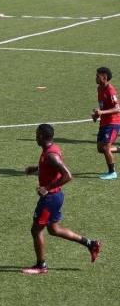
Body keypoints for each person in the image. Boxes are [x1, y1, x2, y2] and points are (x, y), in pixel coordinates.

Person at [22, 124, 101, 275]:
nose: (36, 137)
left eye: (38, 135)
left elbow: (68, 176)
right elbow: (49, 167)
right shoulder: (50, 151)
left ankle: (41, 265)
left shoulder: (51, 155)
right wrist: (35, 169)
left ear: (44, 137)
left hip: (50, 199)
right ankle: (90, 244)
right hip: (55, 198)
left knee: (36, 230)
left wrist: (47, 188)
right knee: (54, 229)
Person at [91, 66, 120, 180]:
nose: (96, 77)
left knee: (106, 148)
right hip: (104, 122)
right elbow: (103, 107)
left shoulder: (110, 89)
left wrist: (101, 112)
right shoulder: (99, 88)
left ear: (105, 77)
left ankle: (112, 172)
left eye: (98, 76)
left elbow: (117, 108)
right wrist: (96, 115)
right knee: (100, 148)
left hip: (113, 122)